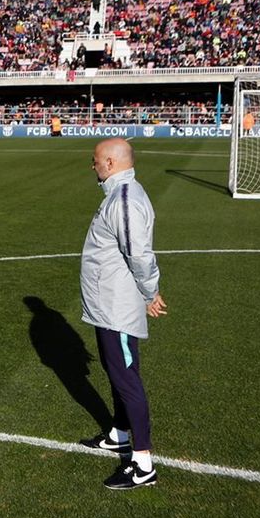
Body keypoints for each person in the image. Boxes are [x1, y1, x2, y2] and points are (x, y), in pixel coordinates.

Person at [79, 138, 165, 490]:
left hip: (117, 306)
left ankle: (143, 464)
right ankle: (119, 434)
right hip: (106, 304)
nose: (93, 166)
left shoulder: (125, 199)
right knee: (117, 373)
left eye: (97, 160)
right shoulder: (118, 195)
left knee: (127, 379)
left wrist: (150, 292)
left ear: (111, 163)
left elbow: (139, 254)